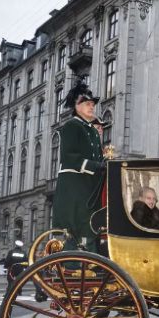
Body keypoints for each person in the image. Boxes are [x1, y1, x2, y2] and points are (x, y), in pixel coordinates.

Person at [52, 83, 106, 252]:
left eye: (92, 104)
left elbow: (98, 157)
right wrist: (97, 166)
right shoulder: (71, 126)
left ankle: (89, 266)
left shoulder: (91, 130)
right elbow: (69, 157)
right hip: (75, 186)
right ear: (77, 106)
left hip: (90, 186)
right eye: (87, 104)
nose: (92, 107)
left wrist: (105, 164)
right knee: (77, 228)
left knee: (89, 226)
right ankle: (73, 268)